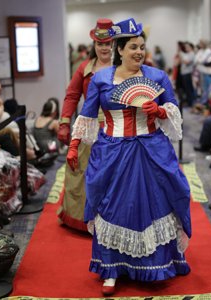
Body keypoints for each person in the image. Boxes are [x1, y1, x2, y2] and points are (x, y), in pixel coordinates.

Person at [66, 18, 191, 296]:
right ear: (119, 49)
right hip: (113, 151)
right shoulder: (100, 79)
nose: (139, 52)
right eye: (133, 47)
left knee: (157, 204)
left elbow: (173, 109)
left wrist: (160, 112)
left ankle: (159, 263)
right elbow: (86, 114)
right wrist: (74, 144)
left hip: (151, 149)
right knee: (111, 207)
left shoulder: (157, 77)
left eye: (142, 47)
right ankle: (110, 269)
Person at [57, 18, 113, 231]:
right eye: (100, 44)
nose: (104, 47)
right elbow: (71, 96)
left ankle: (114, 222)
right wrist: (64, 123)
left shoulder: (123, 67)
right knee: (81, 172)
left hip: (116, 128)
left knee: (115, 174)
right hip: (89, 128)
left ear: (114, 44)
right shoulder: (84, 68)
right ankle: (82, 219)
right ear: (94, 45)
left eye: (108, 43)